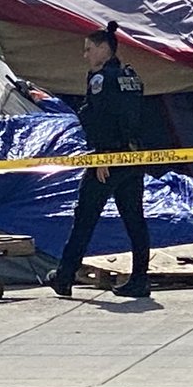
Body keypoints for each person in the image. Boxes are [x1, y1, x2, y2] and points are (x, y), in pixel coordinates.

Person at [46, 21, 151, 299]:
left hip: (108, 158)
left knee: (85, 217)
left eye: (89, 49)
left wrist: (100, 154)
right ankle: (140, 279)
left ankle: (65, 275)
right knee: (135, 220)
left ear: (104, 49)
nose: (86, 55)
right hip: (133, 156)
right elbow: (139, 117)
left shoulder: (101, 79)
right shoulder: (132, 76)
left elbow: (98, 119)